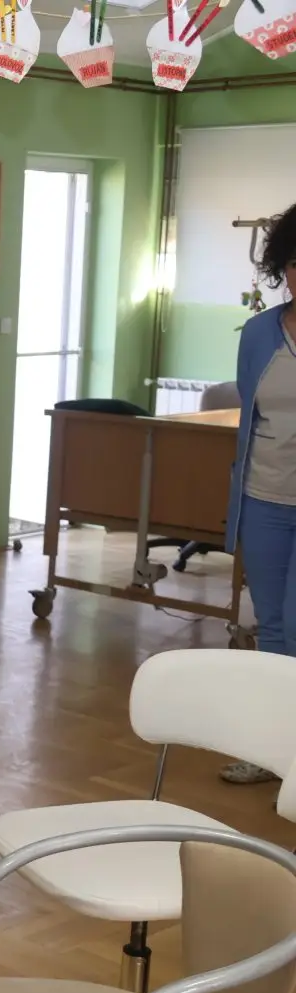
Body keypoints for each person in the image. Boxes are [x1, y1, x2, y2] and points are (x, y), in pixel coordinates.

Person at [223, 201, 296, 785]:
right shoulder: (259, 333)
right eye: (295, 263)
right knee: (270, 624)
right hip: (264, 497)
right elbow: (251, 413)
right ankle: (272, 750)